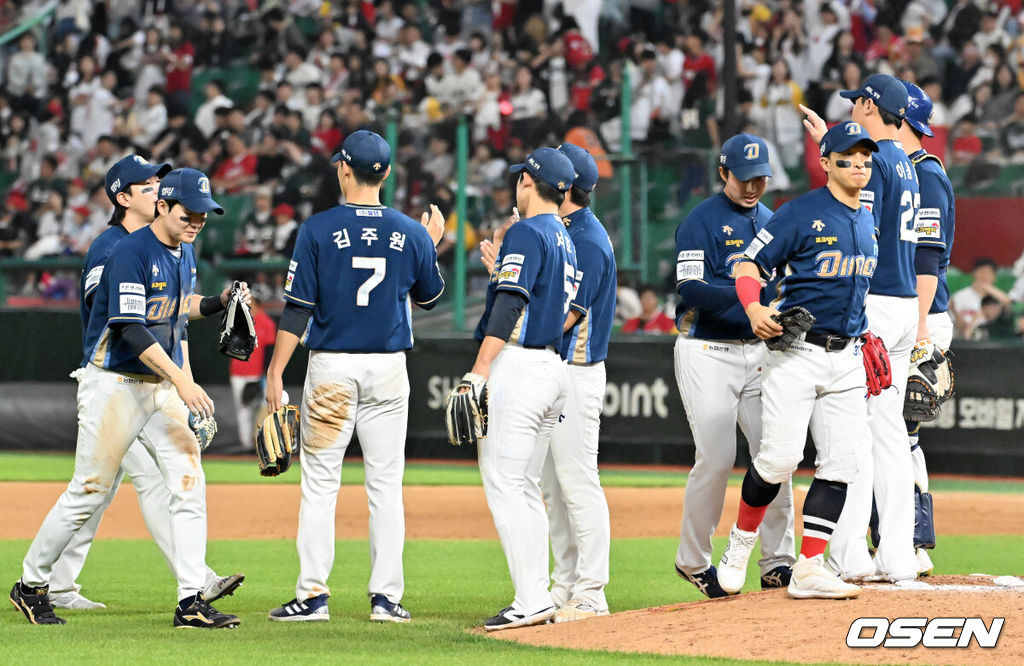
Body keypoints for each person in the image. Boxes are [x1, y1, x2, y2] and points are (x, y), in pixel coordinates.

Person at [13, 167, 241, 628]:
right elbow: (132, 328)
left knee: (187, 482)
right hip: (115, 383)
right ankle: (32, 583)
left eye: (203, 215)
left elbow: (175, 311)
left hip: (158, 387)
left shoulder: (184, 250)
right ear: (162, 207)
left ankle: (191, 601)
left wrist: (217, 301)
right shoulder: (126, 251)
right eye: (188, 213)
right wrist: (184, 380)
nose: (196, 222)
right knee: (88, 491)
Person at [264, 130, 445, 624]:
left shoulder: (318, 229)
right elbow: (429, 297)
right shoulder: (410, 231)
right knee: (385, 487)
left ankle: (313, 596)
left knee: (320, 486)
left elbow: (297, 309)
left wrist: (276, 370)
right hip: (388, 369)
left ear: (343, 168)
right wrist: (429, 245)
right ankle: (386, 599)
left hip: (332, 369)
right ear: (385, 173)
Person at [716, 121, 880, 600]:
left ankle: (809, 567)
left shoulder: (867, 217)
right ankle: (740, 544)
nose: (860, 165)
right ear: (825, 163)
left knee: (842, 463)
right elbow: (747, 265)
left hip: (846, 356)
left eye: (866, 158)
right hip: (798, 353)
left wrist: (864, 331)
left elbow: (854, 286)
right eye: (848, 157)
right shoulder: (799, 213)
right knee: (780, 459)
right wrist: (753, 307)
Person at [800, 74, 921, 582]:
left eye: (858, 104)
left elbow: (860, 230)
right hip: (905, 303)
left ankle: (849, 556)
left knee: (851, 432)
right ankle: (897, 555)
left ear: (870, 105)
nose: (855, 110)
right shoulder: (905, 164)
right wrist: (829, 137)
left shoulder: (875, 168)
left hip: (871, 302)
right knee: (889, 434)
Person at [459, 147, 578, 631]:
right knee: (525, 487)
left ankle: (530, 599)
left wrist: (479, 369)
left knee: (505, 484)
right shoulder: (564, 236)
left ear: (528, 182)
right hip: (552, 367)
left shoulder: (527, 232)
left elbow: (510, 304)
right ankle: (537, 595)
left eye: (520, 179)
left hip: (520, 365)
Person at [672, 134, 796, 598]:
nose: (753, 187)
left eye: (761, 178)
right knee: (717, 459)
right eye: (745, 178)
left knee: (775, 455)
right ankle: (693, 560)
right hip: (707, 349)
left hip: (762, 353)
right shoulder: (700, 221)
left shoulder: (771, 221)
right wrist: (751, 297)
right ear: (724, 172)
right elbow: (691, 288)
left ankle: (777, 561)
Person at [541, 143, 616, 622]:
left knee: (576, 480)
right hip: (555, 369)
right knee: (552, 486)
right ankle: (564, 584)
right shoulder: (564, 230)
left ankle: (592, 590)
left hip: (577, 370)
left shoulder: (585, 239)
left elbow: (567, 316)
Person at [898, 81, 957, 577]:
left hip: (923, 315)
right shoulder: (897, 171)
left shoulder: (926, 175)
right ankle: (894, 539)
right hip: (903, 315)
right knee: (889, 434)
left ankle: (915, 542)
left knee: (903, 432)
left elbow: (928, 260)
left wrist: (918, 333)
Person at [228, 284, 277, 451]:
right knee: (243, 409)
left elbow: (270, 351)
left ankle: (260, 444)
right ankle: (246, 446)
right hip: (239, 373)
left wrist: (266, 376)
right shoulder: (238, 320)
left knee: (263, 409)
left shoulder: (267, 322)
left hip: (258, 374)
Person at [950, 258, 1010, 339]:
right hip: (966, 342)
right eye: (981, 272)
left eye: (989, 273)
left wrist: (987, 287)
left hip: (993, 343)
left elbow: (1008, 305)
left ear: (995, 277)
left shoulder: (998, 298)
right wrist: (974, 321)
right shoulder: (959, 297)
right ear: (974, 273)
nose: (984, 276)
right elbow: (959, 329)